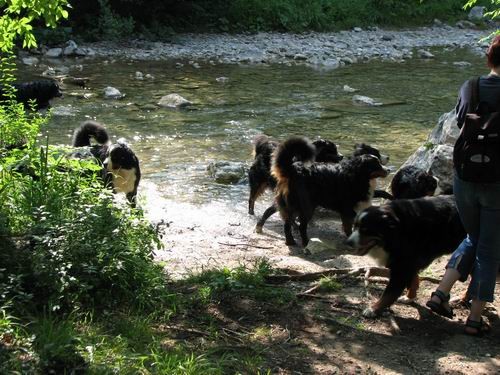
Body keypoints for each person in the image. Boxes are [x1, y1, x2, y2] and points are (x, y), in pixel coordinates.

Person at [426, 35, 500, 336]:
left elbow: (459, 122)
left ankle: (440, 293)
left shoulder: (470, 86)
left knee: (476, 235)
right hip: (497, 182)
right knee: (489, 246)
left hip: (465, 177)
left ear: (489, 58)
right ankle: (474, 318)